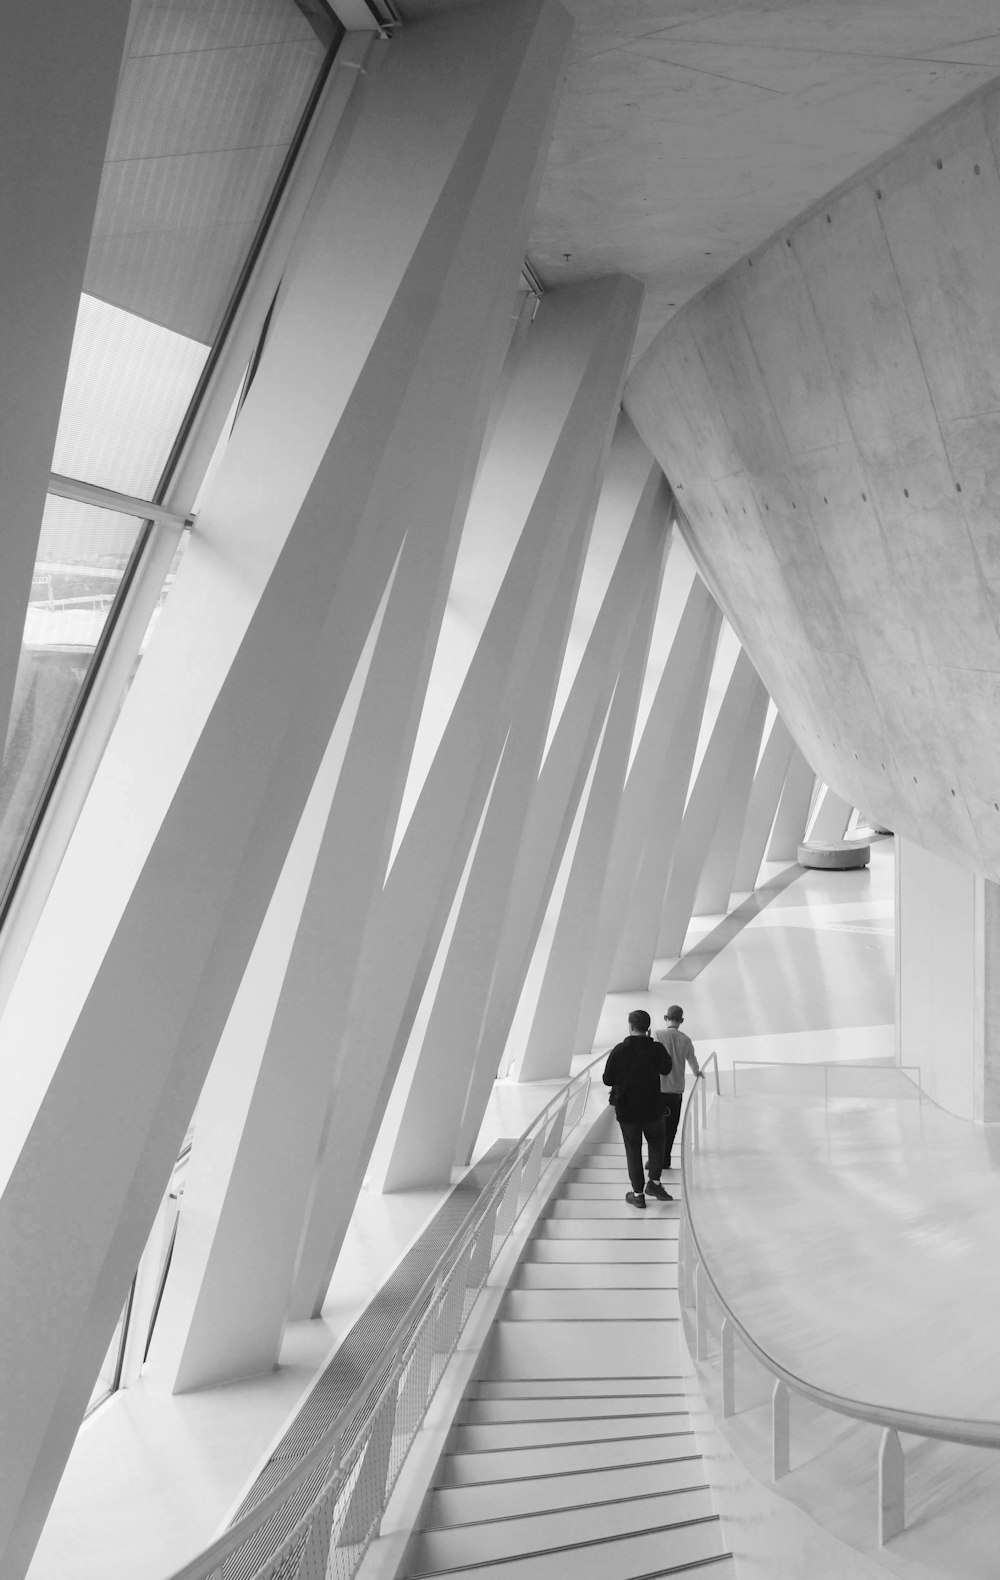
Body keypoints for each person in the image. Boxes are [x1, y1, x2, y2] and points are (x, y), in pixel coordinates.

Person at [602, 1009, 673, 1209]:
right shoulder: (656, 1049)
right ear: (648, 1028)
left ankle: (638, 1194)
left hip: (627, 1110)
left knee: (633, 1150)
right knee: (657, 1142)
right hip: (653, 1107)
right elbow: (666, 1068)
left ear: (630, 1026)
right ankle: (655, 1183)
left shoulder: (619, 1050)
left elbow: (607, 1079)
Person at [656, 1003, 703, 1171]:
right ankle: (666, 1158)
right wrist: (697, 1072)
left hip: (659, 1089)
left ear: (665, 1018)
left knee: (656, 1126)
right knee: (671, 1126)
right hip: (676, 1090)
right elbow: (692, 1061)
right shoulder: (686, 1040)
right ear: (681, 1020)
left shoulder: (658, 1035)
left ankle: (656, 1159)